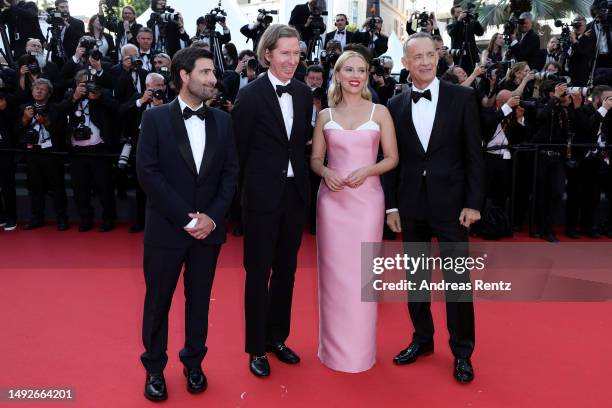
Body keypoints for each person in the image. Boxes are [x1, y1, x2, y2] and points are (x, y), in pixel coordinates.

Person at [136, 47, 239, 401]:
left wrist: (210, 217)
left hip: (208, 232)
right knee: (158, 302)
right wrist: (185, 218)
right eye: (206, 73)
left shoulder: (224, 121)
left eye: (213, 73)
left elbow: (230, 174)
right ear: (184, 75)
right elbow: (148, 174)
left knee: (199, 302)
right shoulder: (155, 119)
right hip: (166, 230)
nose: (214, 80)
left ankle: (193, 362)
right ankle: (154, 368)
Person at [384, 32, 483, 383]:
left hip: (453, 206)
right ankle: (422, 340)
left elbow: (474, 155)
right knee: (417, 282)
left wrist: (474, 203)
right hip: (411, 207)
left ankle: (462, 352)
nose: (425, 62)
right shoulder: (394, 106)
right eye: (418, 57)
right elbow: (391, 162)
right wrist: (391, 207)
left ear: (438, 57)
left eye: (431, 55)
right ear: (406, 63)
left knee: (457, 283)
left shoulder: (462, 97)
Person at [232, 24, 313, 378]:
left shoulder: (303, 93)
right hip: (261, 199)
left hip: (294, 197)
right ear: (268, 54)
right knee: (257, 273)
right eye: (285, 53)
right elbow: (238, 152)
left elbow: (299, 144)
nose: (292, 60)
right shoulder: (249, 96)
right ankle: (255, 348)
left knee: (287, 271)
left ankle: (277, 337)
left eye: (296, 53)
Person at [310, 50, 398, 372]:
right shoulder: (325, 115)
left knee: (362, 276)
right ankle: (332, 351)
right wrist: (326, 172)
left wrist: (368, 171)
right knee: (333, 278)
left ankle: (360, 352)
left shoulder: (380, 112)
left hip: (367, 203)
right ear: (338, 73)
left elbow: (392, 158)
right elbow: (316, 160)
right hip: (332, 204)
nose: (355, 74)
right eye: (349, 69)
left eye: (361, 69)